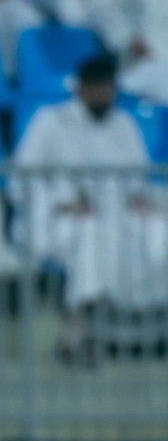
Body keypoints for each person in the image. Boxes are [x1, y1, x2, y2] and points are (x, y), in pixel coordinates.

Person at [13, 54, 165, 363]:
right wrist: (62, 202)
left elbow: (137, 178)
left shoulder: (124, 123)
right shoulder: (50, 121)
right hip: (60, 218)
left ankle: (151, 332)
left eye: (108, 88)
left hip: (118, 215)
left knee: (159, 232)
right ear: (81, 88)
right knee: (92, 238)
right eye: (96, 88)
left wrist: (140, 199)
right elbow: (22, 179)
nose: (103, 95)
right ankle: (78, 335)